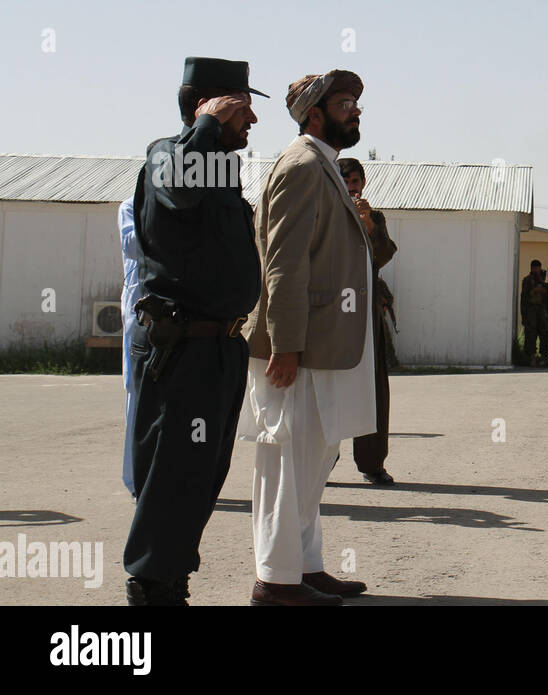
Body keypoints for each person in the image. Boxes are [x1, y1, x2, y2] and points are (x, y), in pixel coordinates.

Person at [124, 57, 266, 605]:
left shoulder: (217, 168)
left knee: (201, 477)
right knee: (173, 476)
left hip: (218, 347)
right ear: (211, 102)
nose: (252, 119)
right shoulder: (169, 154)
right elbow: (180, 192)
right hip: (183, 348)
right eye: (242, 107)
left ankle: (170, 578)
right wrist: (206, 123)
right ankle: (151, 588)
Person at [239, 68, 374, 606]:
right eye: (345, 104)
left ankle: (305, 566)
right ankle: (275, 580)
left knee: (316, 458)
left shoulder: (324, 165)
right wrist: (285, 344)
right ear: (314, 114)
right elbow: (284, 264)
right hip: (298, 348)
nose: (356, 112)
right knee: (286, 461)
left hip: (324, 347)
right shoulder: (301, 165)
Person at [338, 157, 398, 486]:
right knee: (329, 386)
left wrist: (370, 226)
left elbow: (384, 254)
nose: (352, 186)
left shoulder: (375, 217)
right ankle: (321, 464)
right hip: (333, 310)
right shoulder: (326, 212)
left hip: (366, 312)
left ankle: (372, 463)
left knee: (373, 387)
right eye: (346, 180)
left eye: (356, 180)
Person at [118, 197, 142, 499]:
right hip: (139, 312)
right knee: (136, 392)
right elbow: (134, 245)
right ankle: (135, 479)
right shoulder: (130, 206)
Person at [520, 259, 548, 367]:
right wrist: (524, 315)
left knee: (545, 334)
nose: (536, 270)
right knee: (531, 335)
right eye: (534, 268)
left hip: (542, 310)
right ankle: (532, 357)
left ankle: (546, 357)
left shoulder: (542, 280)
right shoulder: (527, 280)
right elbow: (524, 297)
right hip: (531, 311)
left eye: (538, 268)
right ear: (531, 268)